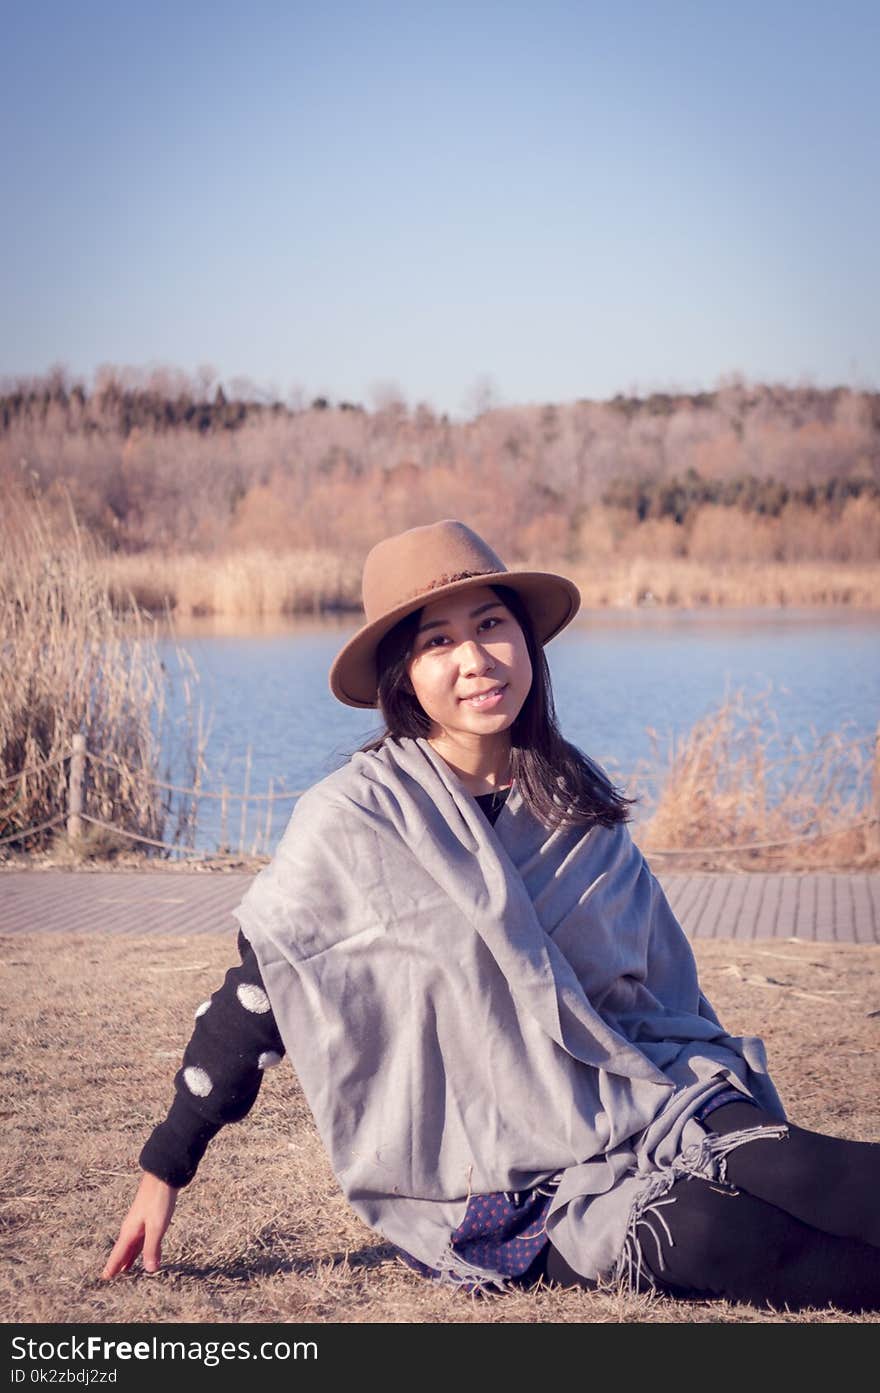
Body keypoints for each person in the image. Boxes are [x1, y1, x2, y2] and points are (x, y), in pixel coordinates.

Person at [102, 519, 880, 1312]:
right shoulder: (355, 818)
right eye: (438, 642)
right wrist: (165, 1165)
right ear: (404, 675)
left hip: (642, 1095)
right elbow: (260, 990)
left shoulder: (572, 794)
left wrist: (709, 1104)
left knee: (804, 1170)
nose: (475, 661)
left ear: (525, 642)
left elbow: (660, 987)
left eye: (490, 626)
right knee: (723, 1235)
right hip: (502, 1177)